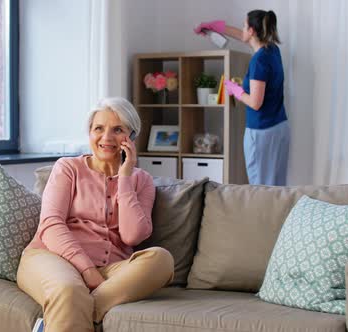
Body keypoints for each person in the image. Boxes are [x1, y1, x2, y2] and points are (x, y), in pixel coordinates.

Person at [17, 97, 174, 332]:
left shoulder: (141, 180)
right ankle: (68, 310)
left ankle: (58, 319)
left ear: (131, 137)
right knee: (69, 290)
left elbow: (133, 236)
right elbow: (51, 224)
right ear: (89, 132)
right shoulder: (68, 168)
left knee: (161, 260)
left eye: (118, 129)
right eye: (98, 128)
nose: (106, 138)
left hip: (112, 269)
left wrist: (125, 177)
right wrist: (87, 271)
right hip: (53, 258)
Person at [195, 10, 290, 186]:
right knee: (277, 187)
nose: (242, 29)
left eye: (245, 26)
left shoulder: (259, 61)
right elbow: (241, 35)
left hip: (261, 132)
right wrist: (214, 26)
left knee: (260, 187)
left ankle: (263, 214)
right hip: (279, 127)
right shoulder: (272, 50)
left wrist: (235, 90)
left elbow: (255, 102)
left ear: (252, 31)